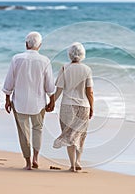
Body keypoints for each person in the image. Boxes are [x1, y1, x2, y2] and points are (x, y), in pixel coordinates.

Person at [2, 31, 55, 170]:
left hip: (19, 101)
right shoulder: (45, 61)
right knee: (38, 129)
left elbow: (9, 82)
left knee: (23, 132)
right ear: (40, 45)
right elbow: (50, 85)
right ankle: (36, 158)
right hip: (38, 103)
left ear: (26, 44)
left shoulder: (16, 59)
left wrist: (7, 99)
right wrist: (52, 100)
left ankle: (27, 163)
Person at [52, 42, 94, 172]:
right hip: (83, 106)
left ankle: (72, 164)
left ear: (70, 54)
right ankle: (78, 160)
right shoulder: (87, 69)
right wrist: (92, 107)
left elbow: (59, 89)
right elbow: (90, 92)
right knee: (80, 135)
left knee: (69, 135)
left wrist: (51, 102)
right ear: (82, 55)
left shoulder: (65, 68)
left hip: (67, 106)